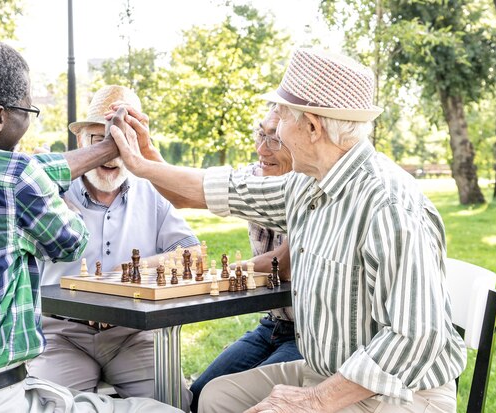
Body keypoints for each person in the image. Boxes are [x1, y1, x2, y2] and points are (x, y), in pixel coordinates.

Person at [109, 48, 467, 413]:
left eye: (280, 119)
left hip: (398, 392)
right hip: (327, 372)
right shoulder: (307, 184)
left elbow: (417, 337)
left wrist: (314, 401)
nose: (274, 132)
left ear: (312, 127)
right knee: (215, 397)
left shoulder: (389, 206)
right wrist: (144, 161)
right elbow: (209, 190)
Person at [0, 37, 181, 413]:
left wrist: (105, 149)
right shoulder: (17, 178)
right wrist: (54, 194)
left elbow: (8, 171)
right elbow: (72, 241)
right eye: (28, 108)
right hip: (0, 402)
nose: (30, 116)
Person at [28, 85, 198, 411]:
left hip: (131, 333)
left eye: (124, 141)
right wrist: (49, 192)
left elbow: (191, 253)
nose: (112, 153)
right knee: (43, 405)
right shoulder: (47, 193)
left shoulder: (151, 192)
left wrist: (128, 274)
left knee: (175, 401)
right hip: (62, 334)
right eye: (101, 140)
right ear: (81, 142)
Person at [188, 108, 302, 413]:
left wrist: (226, 270)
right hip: (273, 325)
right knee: (198, 394)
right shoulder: (255, 176)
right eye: (260, 134)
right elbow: (190, 191)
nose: (262, 148)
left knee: (250, 403)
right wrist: (144, 158)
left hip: (309, 336)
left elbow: (284, 263)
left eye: (275, 139)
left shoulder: (308, 187)